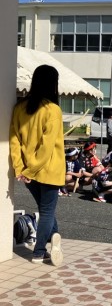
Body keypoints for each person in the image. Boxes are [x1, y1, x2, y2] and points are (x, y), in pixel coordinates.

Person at [9, 64, 64, 266]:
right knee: (47, 210)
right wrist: (31, 169)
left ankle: (55, 238)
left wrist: (20, 169)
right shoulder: (52, 110)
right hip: (49, 170)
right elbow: (47, 147)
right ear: (53, 84)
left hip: (26, 172)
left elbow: (14, 140)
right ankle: (39, 252)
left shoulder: (19, 107)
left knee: (45, 208)